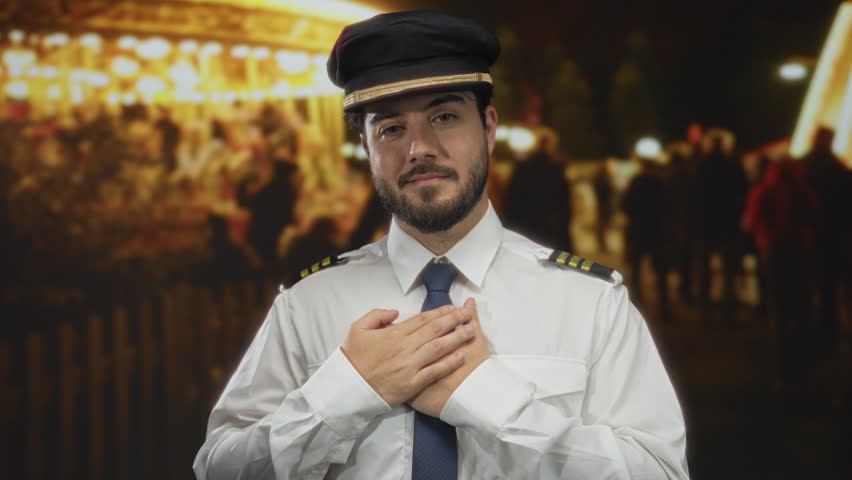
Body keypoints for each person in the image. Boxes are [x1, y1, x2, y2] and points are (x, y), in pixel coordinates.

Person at [194, 11, 688, 480]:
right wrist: (346, 391)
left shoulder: (590, 302)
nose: (420, 148)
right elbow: (218, 468)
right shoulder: (308, 304)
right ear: (366, 149)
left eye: (446, 116)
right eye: (391, 128)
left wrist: (488, 399)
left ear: (489, 128)